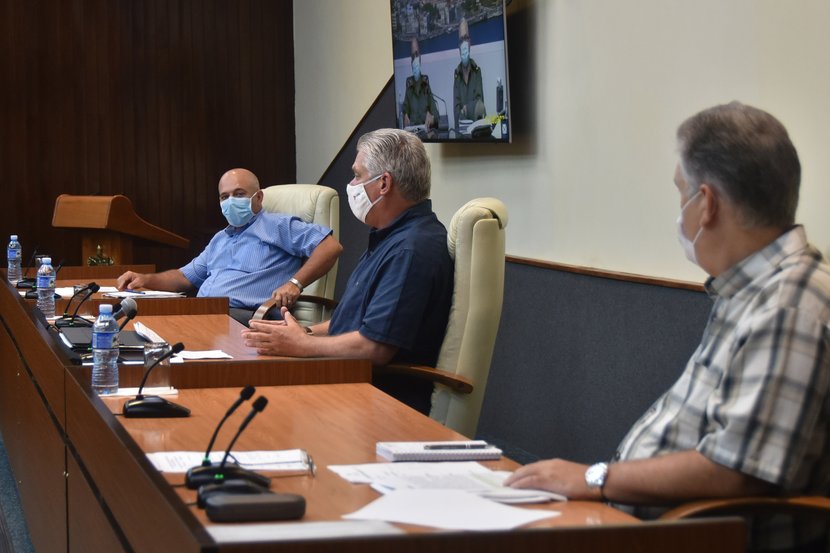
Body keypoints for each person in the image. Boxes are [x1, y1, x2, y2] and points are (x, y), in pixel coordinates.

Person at [506, 102, 830, 552]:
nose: (681, 212)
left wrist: (593, 477)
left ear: (708, 203)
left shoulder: (789, 304)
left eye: (683, 193)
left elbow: (735, 470)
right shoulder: (751, 289)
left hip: (701, 538)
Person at [242, 129, 454, 414]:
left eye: (357, 175)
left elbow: (375, 348)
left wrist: (303, 345)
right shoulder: (392, 237)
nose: (351, 184)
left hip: (377, 399)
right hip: (348, 380)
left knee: (259, 409)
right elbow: (362, 321)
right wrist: (302, 332)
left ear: (384, 184)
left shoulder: (410, 250)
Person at [117, 168, 342, 323]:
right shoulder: (220, 239)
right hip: (207, 313)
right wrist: (146, 279)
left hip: (245, 315)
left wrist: (294, 283)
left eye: (239, 194)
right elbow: (184, 278)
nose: (230, 201)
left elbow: (330, 248)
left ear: (259, 197)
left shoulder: (277, 225)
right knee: (145, 320)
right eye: (224, 197)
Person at [452, 17, 485, 128]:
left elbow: (480, 106)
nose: (464, 42)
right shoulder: (456, 75)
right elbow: (456, 113)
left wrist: (465, 109)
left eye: (466, 38)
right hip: (461, 132)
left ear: (470, 42)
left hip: (477, 130)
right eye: (461, 39)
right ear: (458, 47)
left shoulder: (477, 71)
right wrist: (469, 109)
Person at [402, 37, 439, 132]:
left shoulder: (425, 84)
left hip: (425, 131)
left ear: (420, 64)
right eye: (413, 67)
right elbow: (405, 109)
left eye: (417, 66)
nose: (415, 70)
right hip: (413, 133)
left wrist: (432, 117)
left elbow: (436, 115)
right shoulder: (409, 87)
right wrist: (405, 115)